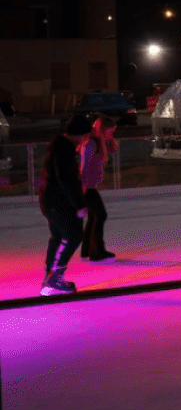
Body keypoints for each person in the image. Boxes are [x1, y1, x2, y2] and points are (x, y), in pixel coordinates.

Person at [39, 115, 92, 295]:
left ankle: (50, 278)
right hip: (58, 201)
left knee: (59, 236)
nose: (86, 140)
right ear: (78, 134)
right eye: (86, 136)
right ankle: (55, 276)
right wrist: (79, 204)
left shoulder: (61, 145)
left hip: (53, 200)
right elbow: (66, 179)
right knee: (73, 235)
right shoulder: (64, 149)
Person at [80, 114, 118, 262]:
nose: (111, 135)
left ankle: (86, 252)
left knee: (93, 218)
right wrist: (81, 189)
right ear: (103, 130)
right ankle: (97, 253)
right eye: (110, 131)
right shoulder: (90, 144)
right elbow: (83, 168)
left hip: (89, 186)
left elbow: (113, 148)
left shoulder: (98, 144)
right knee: (100, 216)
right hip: (86, 188)